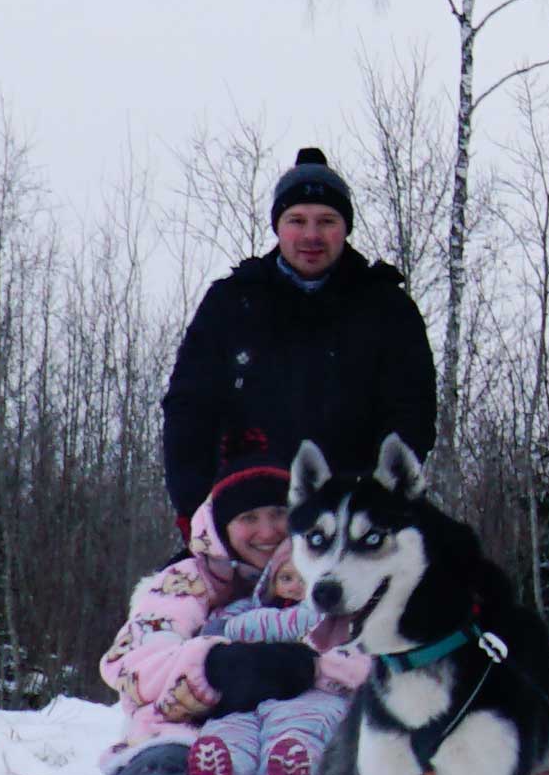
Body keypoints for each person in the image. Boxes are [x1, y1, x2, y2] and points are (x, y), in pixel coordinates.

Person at [55, 462, 352, 775]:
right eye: (248, 518)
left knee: (369, 763)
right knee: (157, 768)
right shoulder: (184, 584)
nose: (265, 530)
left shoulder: (337, 575)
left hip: (309, 722)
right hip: (200, 726)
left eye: (279, 514)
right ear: (221, 528)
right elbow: (132, 664)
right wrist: (220, 667)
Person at [158, 150, 441, 521]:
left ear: (346, 227)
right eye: (297, 220)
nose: (311, 235)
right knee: (171, 582)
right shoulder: (231, 304)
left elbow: (411, 416)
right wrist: (195, 511)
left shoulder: (387, 308)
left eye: (326, 220)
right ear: (278, 226)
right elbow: (189, 413)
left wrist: (380, 501)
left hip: (353, 521)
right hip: (248, 520)